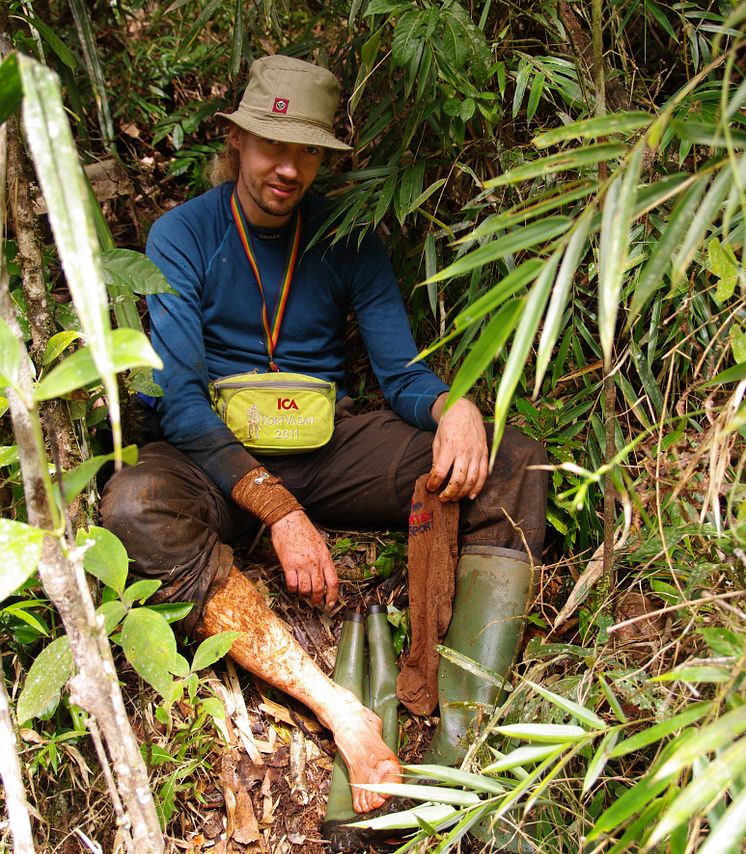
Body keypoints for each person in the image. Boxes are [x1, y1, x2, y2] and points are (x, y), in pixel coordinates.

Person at [100, 54, 548, 814]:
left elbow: (401, 374)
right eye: (272, 145)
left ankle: (463, 735)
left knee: (514, 461)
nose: (287, 167)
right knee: (132, 508)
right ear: (235, 141)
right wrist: (277, 510)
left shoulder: (346, 235)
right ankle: (340, 708)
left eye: (305, 150)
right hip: (214, 455)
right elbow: (176, 398)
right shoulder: (183, 235)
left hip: (326, 445)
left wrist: (454, 407)